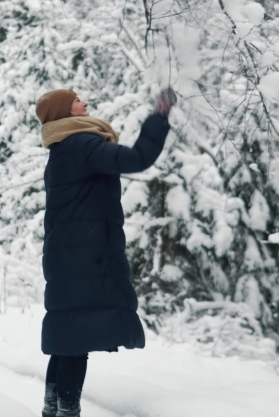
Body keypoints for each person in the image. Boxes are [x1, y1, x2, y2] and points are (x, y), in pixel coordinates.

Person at [35, 87, 175, 417]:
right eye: (76, 99)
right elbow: (137, 158)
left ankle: (51, 410)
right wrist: (159, 118)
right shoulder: (82, 144)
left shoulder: (61, 148)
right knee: (75, 344)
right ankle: (67, 413)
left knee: (67, 339)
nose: (85, 102)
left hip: (66, 256)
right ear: (64, 111)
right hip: (84, 257)